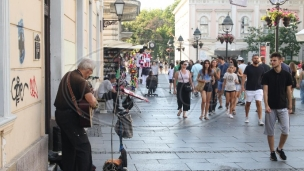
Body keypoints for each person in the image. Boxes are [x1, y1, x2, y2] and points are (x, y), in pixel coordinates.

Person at [54, 58, 98, 171]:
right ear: (89, 71)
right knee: (84, 147)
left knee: (69, 147)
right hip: (70, 118)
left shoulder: (68, 75)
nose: (89, 75)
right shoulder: (81, 81)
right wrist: (95, 105)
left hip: (59, 114)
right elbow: (92, 101)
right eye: (90, 72)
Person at [261, 52, 292, 161]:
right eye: (272, 60)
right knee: (270, 131)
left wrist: (290, 106)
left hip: (283, 106)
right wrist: (266, 105)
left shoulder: (287, 75)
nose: (272, 62)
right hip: (271, 107)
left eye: (274, 60)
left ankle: (280, 148)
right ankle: (272, 152)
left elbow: (289, 91)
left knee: (286, 130)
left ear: (280, 61)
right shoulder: (267, 75)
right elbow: (265, 91)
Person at [241, 54, 265, 126]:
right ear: (252, 59)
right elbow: (244, 76)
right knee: (248, 103)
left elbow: (263, 77)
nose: (256, 59)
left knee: (259, 103)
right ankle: (246, 116)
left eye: (257, 58)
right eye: (255, 58)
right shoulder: (248, 68)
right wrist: (242, 86)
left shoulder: (261, 68)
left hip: (259, 88)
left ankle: (260, 119)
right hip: (249, 88)